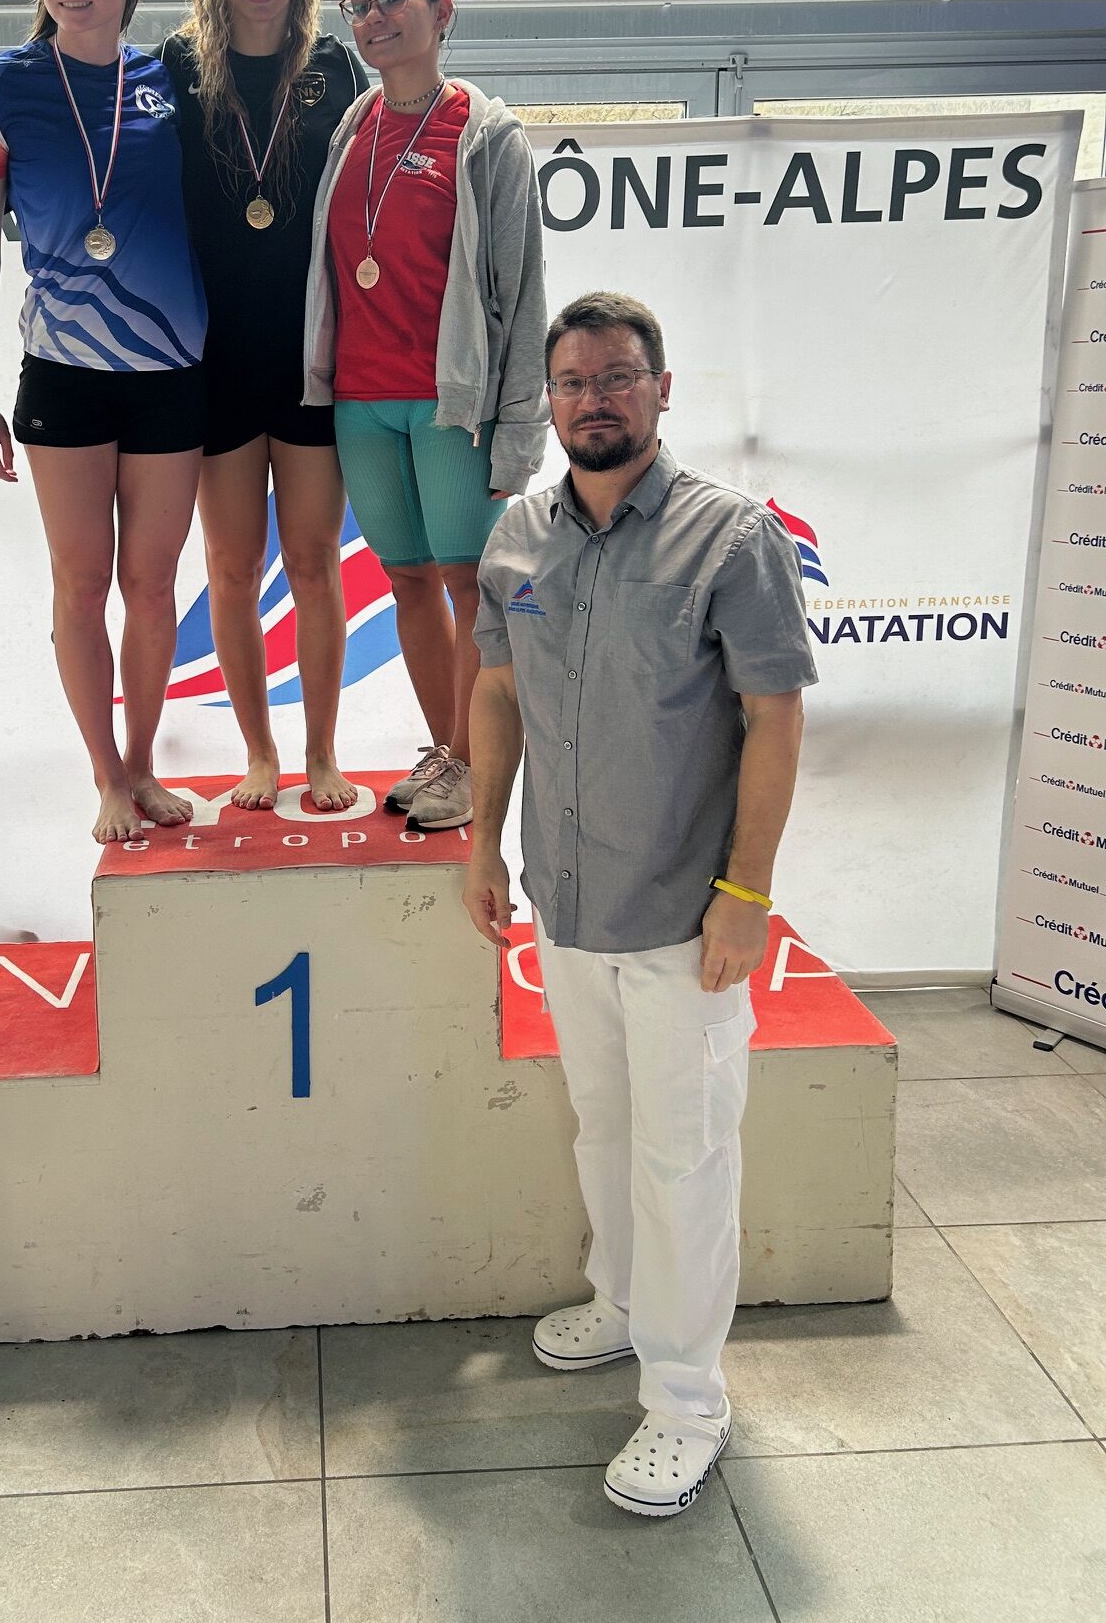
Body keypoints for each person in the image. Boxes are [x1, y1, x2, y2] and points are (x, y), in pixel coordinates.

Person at [462, 291, 816, 1519]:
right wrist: (481, 841)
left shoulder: (733, 539)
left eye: (617, 377)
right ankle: (619, 1302)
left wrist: (746, 895)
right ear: (548, 400)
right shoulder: (519, 534)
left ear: (662, 390)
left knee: (686, 1161)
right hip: (567, 906)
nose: (594, 400)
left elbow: (775, 717)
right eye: (572, 382)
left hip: (684, 922)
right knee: (603, 1131)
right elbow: (496, 692)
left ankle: (686, 1403)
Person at [0, 0, 207, 846]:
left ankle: (142, 765)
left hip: (171, 368)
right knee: (80, 584)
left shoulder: (175, 83)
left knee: (153, 586)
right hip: (62, 370)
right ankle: (104, 776)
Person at [303, 0, 547, 832]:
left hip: (452, 404)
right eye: (359, 4)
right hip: (361, 400)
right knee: (407, 578)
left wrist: (519, 432)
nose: (373, 17)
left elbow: (522, 293)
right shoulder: (352, 127)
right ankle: (447, 750)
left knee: (467, 586)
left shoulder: (486, 135)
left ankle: (476, 768)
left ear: (442, 11)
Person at [157, 0, 367, 812]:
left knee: (314, 565)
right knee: (232, 570)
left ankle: (321, 754)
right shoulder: (176, 66)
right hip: (215, 361)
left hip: (311, 359)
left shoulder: (335, 69)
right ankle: (260, 754)